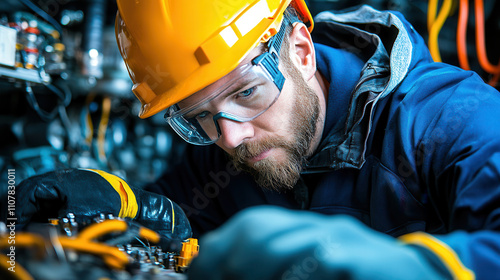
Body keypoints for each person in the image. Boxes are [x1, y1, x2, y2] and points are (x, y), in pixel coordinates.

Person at [11, 0, 500, 279]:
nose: (231, 137)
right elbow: (181, 221)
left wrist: (425, 268)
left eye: (248, 92)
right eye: (198, 117)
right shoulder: (230, 135)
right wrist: (125, 201)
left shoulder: (449, 121)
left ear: (301, 51)